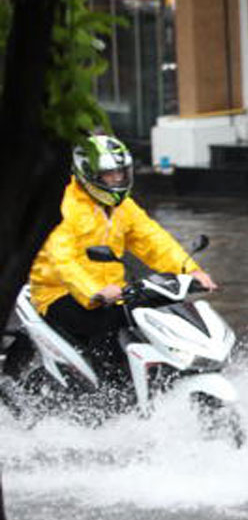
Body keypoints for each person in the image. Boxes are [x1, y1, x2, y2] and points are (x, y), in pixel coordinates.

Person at [26, 134, 217, 390]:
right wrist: (93, 291)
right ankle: (108, 396)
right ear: (88, 174)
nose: (118, 179)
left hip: (114, 292)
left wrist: (189, 269)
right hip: (59, 292)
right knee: (107, 325)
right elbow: (61, 260)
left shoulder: (123, 206)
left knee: (159, 307)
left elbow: (152, 239)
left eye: (121, 172)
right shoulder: (63, 206)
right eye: (110, 174)